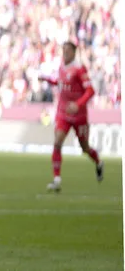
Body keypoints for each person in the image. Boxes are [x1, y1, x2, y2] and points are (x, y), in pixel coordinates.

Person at [38, 41, 103, 192]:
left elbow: (91, 91)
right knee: (57, 142)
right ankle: (57, 179)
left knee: (84, 147)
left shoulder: (79, 69)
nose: (65, 53)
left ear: (74, 52)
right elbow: (60, 83)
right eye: (63, 50)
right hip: (63, 113)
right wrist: (46, 79)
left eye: (68, 50)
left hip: (79, 116)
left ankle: (98, 162)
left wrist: (77, 105)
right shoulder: (61, 67)